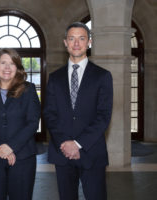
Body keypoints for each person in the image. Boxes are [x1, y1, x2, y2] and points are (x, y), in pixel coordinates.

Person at [43, 22, 113, 200]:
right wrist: (66, 143)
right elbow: (50, 114)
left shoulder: (102, 76)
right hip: (62, 152)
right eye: (71, 38)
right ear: (65, 43)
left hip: (91, 152)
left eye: (81, 38)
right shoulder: (55, 78)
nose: (76, 43)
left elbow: (103, 116)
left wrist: (78, 143)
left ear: (89, 42)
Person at [0, 48, 41, 200]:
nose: (7, 68)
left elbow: (32, 123)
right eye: (3, 63)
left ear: (17, 68)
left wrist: (11, 147)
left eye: (12, 63)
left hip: (23, 157)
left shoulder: (28, 89)